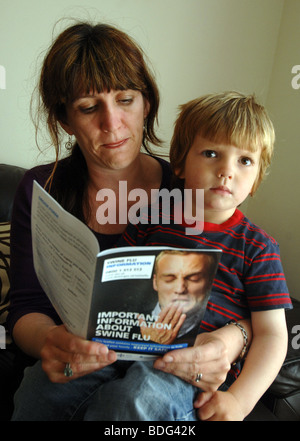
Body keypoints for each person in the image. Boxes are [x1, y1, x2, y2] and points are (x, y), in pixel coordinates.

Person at [7, 23, 251, 421]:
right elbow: (26, 307)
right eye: (88, 108)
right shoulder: (40, 189)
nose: (112, 122)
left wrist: (229, 342)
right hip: (83, 365)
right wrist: (51, 341)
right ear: (65, 119)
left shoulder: (195, 185)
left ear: (147, 103)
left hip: (165, 374)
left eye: (125, 99)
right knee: (38, 394)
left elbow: (248, 289)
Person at [91, 91, 292, 421]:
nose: (227, 170)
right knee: (45, 382)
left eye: (245, 161)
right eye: (211, 153)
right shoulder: (151, 217)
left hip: (191, 372)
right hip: (126, 348)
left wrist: (240, 402)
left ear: (256, 178)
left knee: (138, 397)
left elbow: (272, 334)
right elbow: (112, 284)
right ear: (180, 163)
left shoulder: (257, 247)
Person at [141, 250, 218, 345]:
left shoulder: (217, 327)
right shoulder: (129, 323)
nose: (180, 289)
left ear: (210, 283)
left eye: (194, 279)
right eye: (169, 279)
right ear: (155, 282)